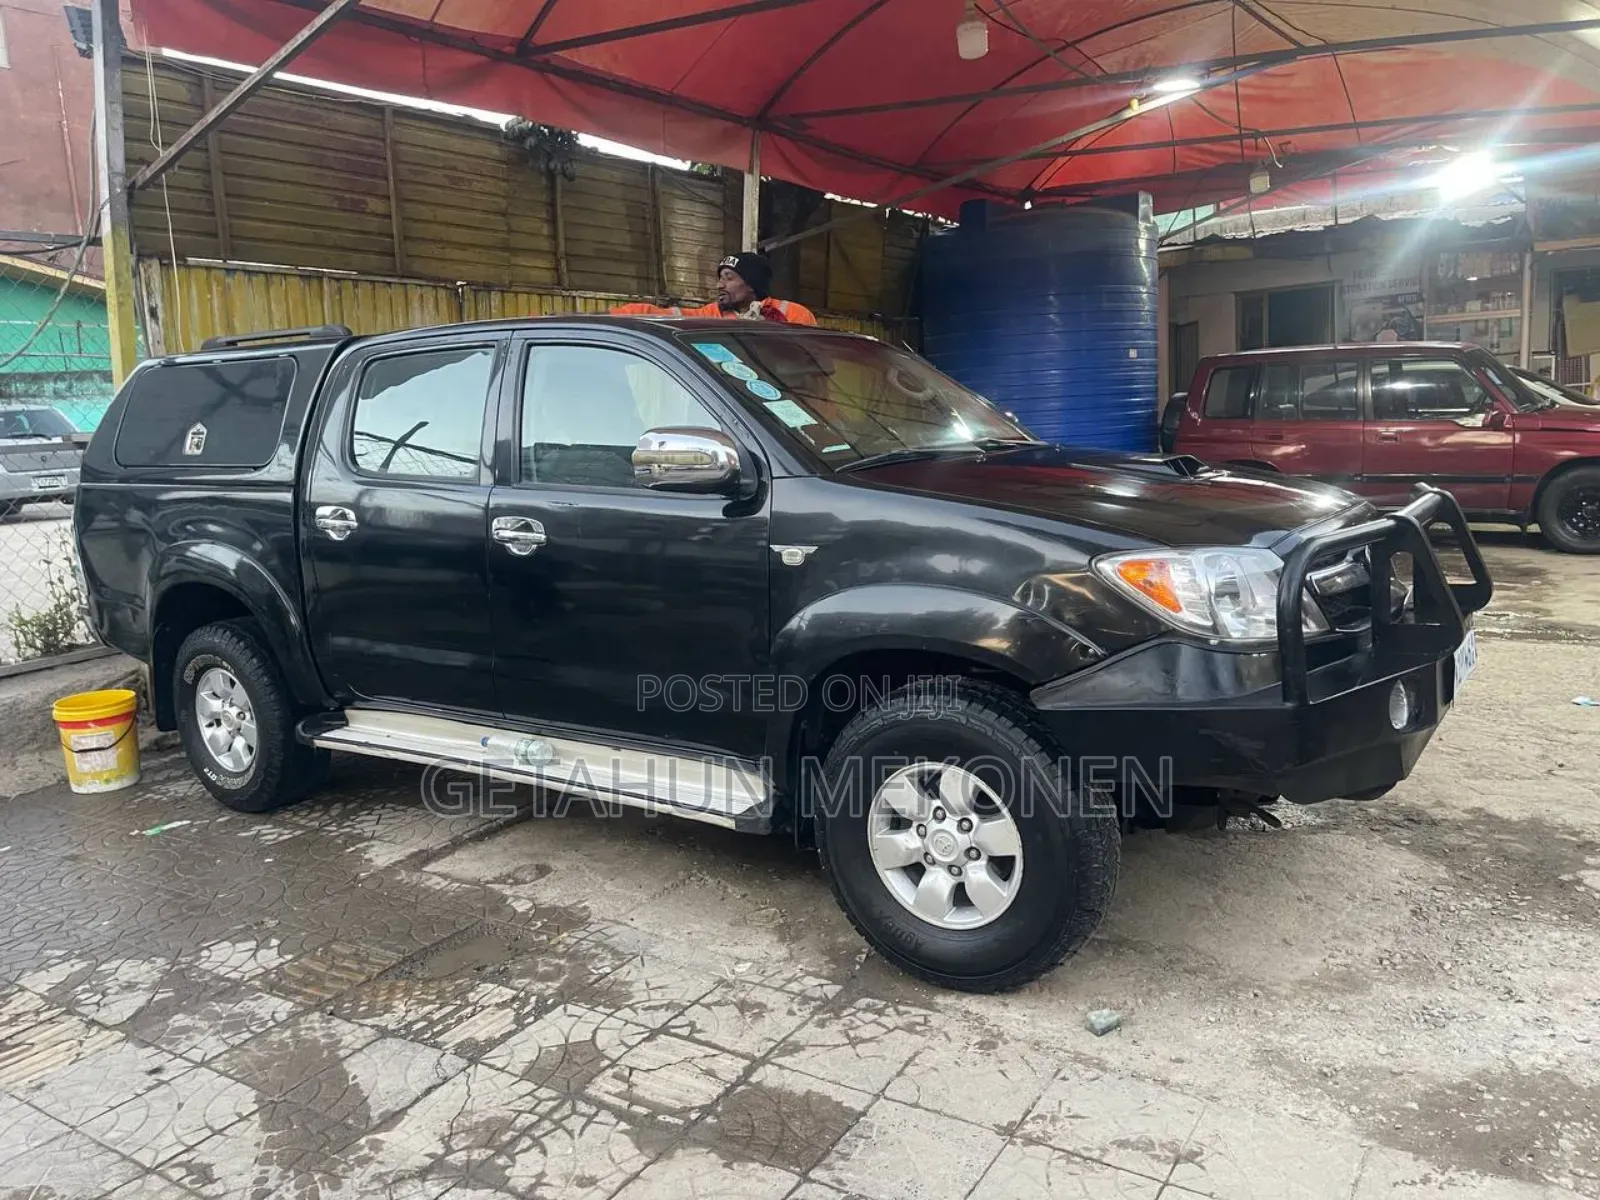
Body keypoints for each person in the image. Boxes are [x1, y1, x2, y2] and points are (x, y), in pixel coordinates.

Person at [612, 252, 817, 325]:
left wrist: (771, 335)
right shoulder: (711, 314)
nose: (720, 285)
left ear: (751, 284)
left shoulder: (794, 314)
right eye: (719, 278)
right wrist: (606, 316)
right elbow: (657, 314)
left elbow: (818, 369)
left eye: (728, 277)